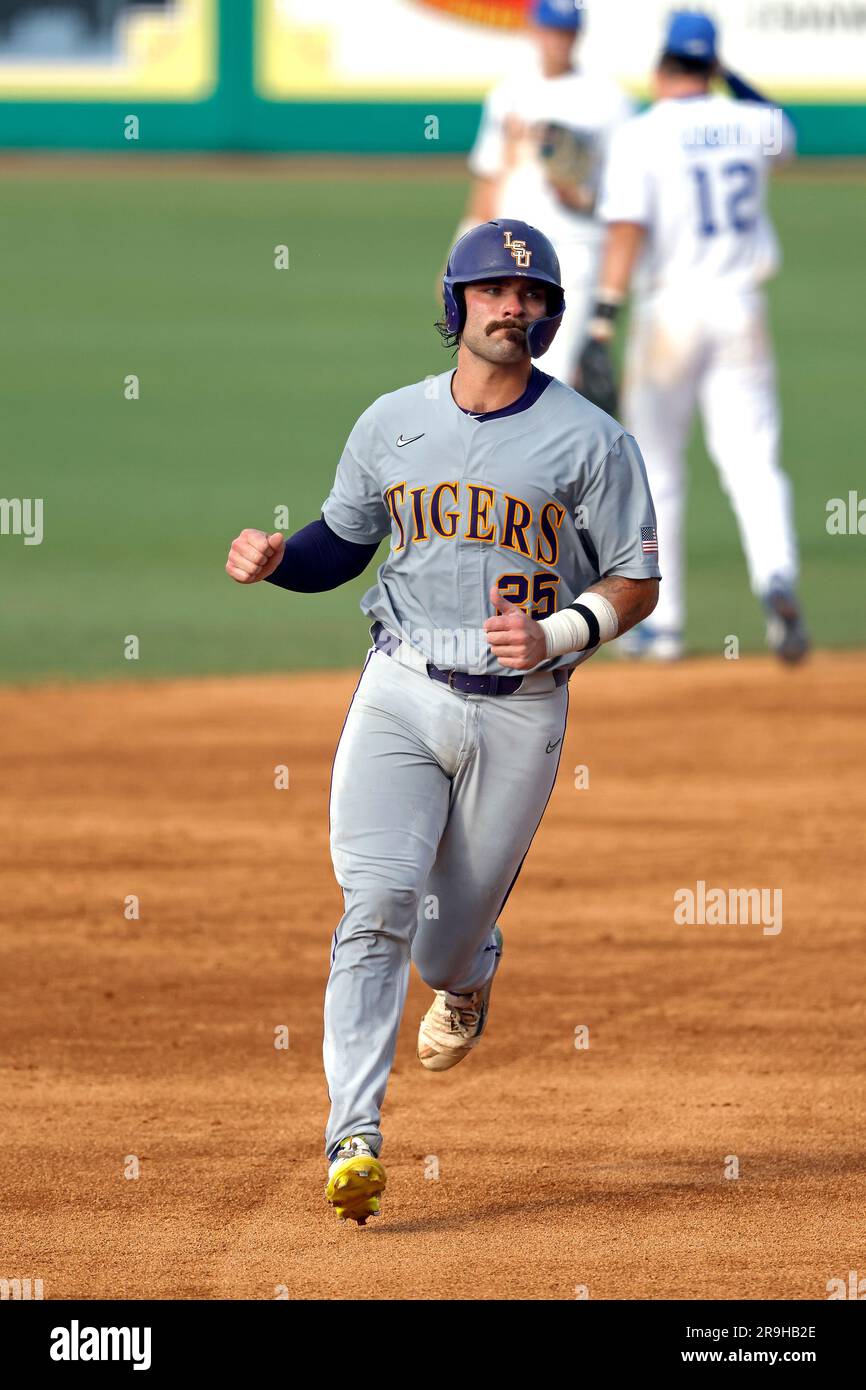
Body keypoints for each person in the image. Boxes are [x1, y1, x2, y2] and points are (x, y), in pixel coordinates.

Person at [225, 219, 660, 1223]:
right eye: (492, 292)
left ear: (548, 314)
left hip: (520, 714)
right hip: (401, 690)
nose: (512, 309)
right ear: (455, 301)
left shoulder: (592, 440)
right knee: (373, 905)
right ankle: (353, 1136)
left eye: (530, 296)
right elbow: (342, 542)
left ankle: (471, 971)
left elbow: (634, 581)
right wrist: (276, 557)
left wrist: (558, 631)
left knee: (438, 947)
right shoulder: (390, 423)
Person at [585, 9, 808, 661]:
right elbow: (781, 126)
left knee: (658, 469)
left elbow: (626, 229)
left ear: (660, 67)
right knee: (753, 462)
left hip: (670, 314)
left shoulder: (641, 133)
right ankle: (777, 578)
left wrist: (602, 318)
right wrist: (727, 76)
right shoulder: (754, 123)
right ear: (712, 67)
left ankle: (665, 622)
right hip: (742, 309)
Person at [458, 0, 633, 393]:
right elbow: (491, 174)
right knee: (497, 360)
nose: (559, 41)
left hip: (574, 251)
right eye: (553, 30)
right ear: (535, 29)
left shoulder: (609, 101)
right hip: (507, 249)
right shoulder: (510, 92)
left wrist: (581, 196)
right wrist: (463, 242)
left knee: (550, 367)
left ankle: (556, 450)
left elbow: (624, 195)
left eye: (567, 32)